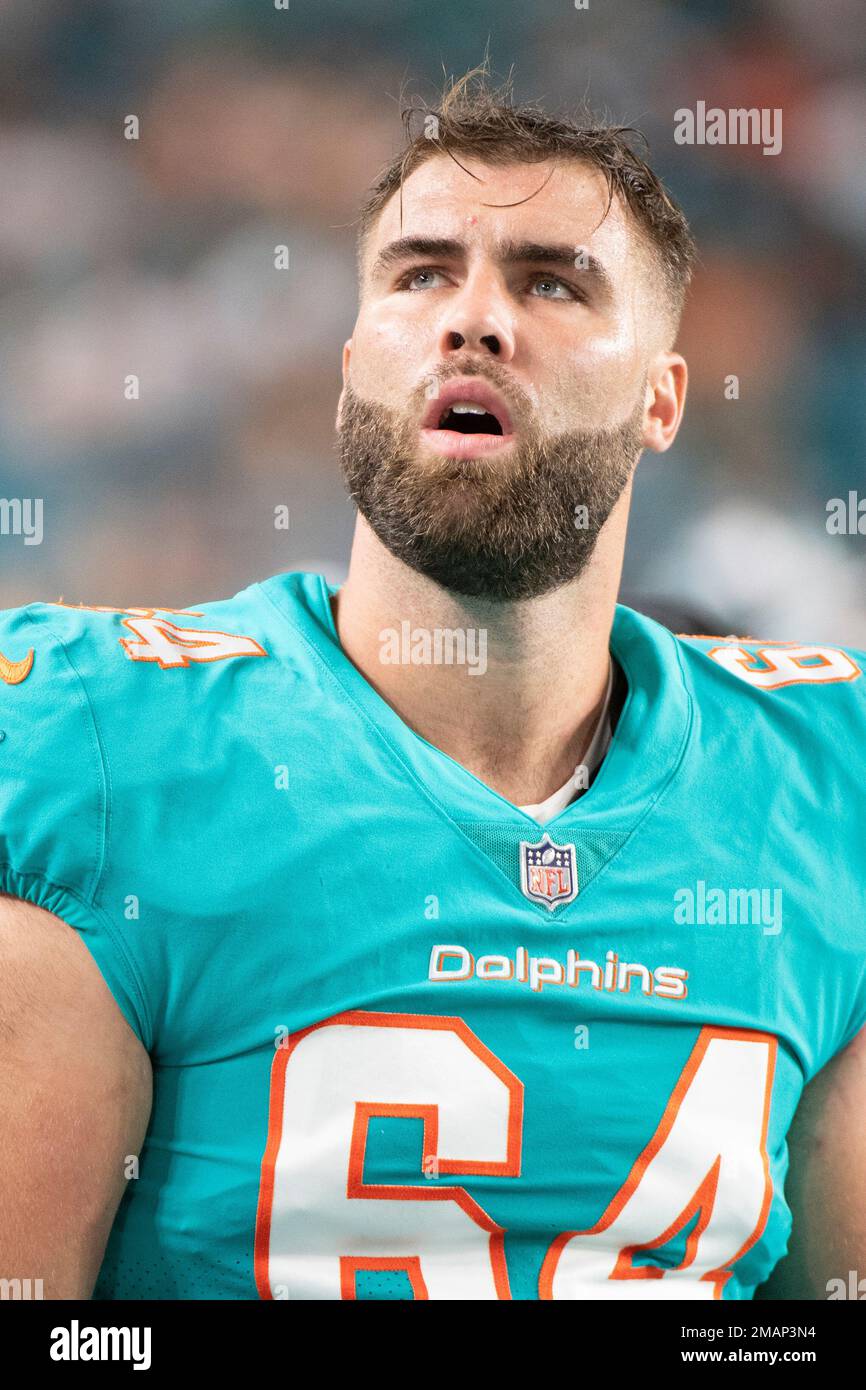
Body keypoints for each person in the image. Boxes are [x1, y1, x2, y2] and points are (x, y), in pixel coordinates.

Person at [1, 67, 863, 1301]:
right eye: (419, 275)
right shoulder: (103, 744)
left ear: (661, 398)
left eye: (550, 281)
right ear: (353, 366)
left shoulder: (821, 775)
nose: (474, 321)